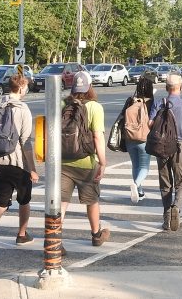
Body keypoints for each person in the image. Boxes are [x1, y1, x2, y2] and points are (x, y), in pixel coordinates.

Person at [0, 74, 39, 255]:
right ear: (21, 88)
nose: (27, 89)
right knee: (24, 200)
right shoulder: (22, 109)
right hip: (17, 164)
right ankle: (22, 234)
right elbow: (25, 141)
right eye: (26, 86)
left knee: (2, 202)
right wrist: (32, 169)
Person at [60, 71, 111, 246]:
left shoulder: (61, 104)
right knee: (91, 200)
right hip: (87, 162)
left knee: (62, 202)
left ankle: (54, 239)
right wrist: (103, 163)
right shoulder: (95, 107)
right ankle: (96, 235)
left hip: (63, 161)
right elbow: (98, 136)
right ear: (89, 87)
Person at [151, 74, 182, 231]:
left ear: (166, 88)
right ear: (181, 87)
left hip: (161, 147)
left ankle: (167, 219)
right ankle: (176, 208)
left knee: (166, 185)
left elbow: (149, 123)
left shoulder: (159, 104)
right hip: (180, 146)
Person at [118, 76, 154, 204]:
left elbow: (122, 117)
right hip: (143, 138)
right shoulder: (150, 102)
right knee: (144, 167)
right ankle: (136, 184)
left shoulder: (131, 101)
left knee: (135, 165)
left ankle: (140, 192)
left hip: (129, 138)